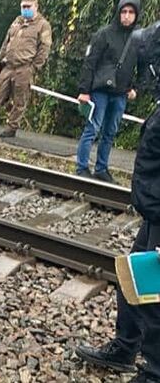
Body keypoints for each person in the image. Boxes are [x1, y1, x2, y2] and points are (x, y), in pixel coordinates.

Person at [75, 21, 160, 383]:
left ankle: (154, 372)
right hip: (154, 212)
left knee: (156, 296)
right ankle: (126, 347)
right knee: (134, 278)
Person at [74, 0, 141, 183]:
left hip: (121, 93)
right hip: (100, 90)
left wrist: (135, 88)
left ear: (136, 15)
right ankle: (81, 167)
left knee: (110, 132)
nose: (126, 16)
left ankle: (101, 168)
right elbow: (90, 62)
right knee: (92, 129)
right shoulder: (104, 34)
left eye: (131, 12)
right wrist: (84, 90)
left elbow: (142, 65)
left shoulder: (139, 38)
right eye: (124, 12)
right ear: (118, 12)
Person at [0, 0, 52, 138]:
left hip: (24, 67)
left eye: (28, 6)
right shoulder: (17, 21)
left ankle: (12, 127)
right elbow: (6, 42)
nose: (25, 9)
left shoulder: (43, 25)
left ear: (36, 6)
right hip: (8, 65)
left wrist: (34, 67)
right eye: (23, 6)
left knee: (19, 99)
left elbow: (44, 49)